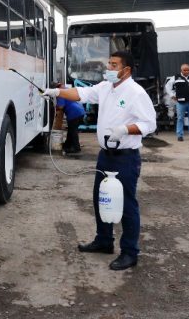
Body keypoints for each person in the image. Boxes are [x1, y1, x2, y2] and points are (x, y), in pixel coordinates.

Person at [44, 51, 156, 271]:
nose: (109, 68)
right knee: (101, 198)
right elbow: (82, 94)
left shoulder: (135, 92)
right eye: (109, 64)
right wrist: (58, 91)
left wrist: (125, 129)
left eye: (114, 65)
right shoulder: (106, 87)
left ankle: (129, 252)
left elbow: (149, 124)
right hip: (106, 155)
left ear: (126, 70)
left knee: (126, 205)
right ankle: (104, 241)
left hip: (125, 157)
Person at [164, 64, 189, 141]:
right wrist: (172, 95)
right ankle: (180, 135)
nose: (186, 71)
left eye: (188, 70)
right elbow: (168, 86)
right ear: (181, 70)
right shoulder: (175, 77)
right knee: (180, 118)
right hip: (180, 102)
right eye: (184, 70)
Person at [55, 91, 86, 155]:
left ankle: (76, 148)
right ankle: (67, 145)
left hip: (74, 114)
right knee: (71, 130)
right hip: (80, 111)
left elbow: (61, 106)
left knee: (73, 131)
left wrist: (55, 107)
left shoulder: (60, 95)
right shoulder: (66, 92)